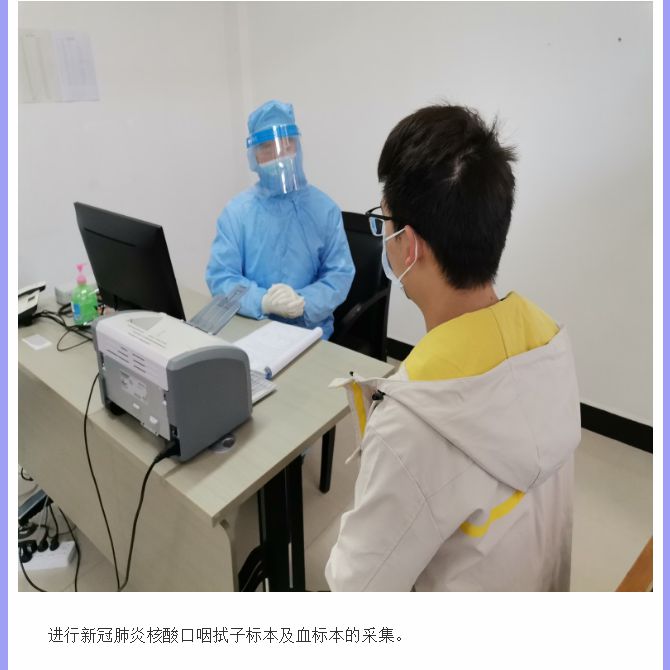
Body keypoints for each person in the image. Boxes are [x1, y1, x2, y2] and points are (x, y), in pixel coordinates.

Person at [325, 105, 581, 591]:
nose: (384, 238)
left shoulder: (411, 423)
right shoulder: (549, 340)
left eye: (384, 222)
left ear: (409, 244)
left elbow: (356, 591)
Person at [205, 100, 354, 339]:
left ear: (297, 146)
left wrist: (304, 301)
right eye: (266, 147)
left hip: (310, 332)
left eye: (286, 143)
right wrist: (261, 301)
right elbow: (221, 276)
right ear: (254, 156)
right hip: (252, 329)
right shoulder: (236, 213)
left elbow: (339, 274)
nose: (279, 154)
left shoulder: (324, 210)